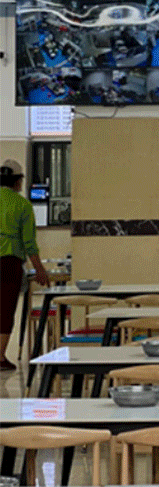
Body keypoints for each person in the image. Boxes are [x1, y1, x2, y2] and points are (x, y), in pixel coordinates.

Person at [0, 159, 49, 371]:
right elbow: (29, 243)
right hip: (8, 263)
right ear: (18, 181)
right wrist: (40, 270)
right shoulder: (23, 205)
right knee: (5, 309)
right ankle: (0, 356)